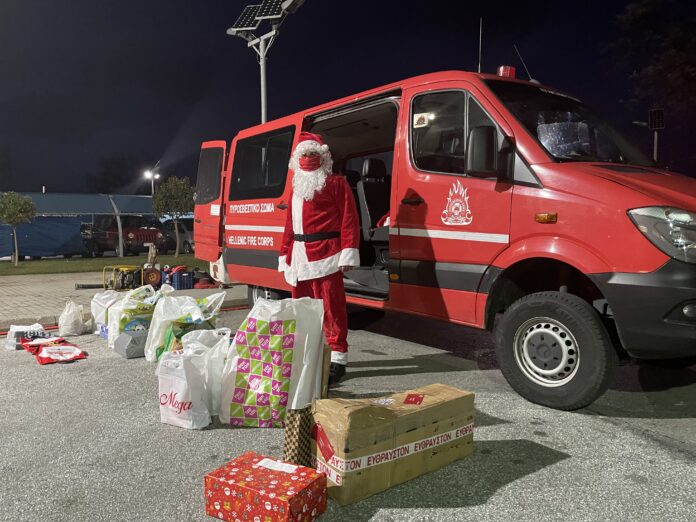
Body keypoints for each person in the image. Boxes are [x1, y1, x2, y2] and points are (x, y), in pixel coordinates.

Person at [279, 131, 360, 385]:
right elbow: (289, 226)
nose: (308, 159)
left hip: (327, 254)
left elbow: (349, 219)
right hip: (300, 257)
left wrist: (348, 250)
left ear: (322, 155)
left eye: (312, 154)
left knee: (332, 308)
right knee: (302, 309)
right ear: (297, 158)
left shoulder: (336, 183)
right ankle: (309, 354)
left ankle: (338, 358)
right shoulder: (296, 186)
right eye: (304, 155)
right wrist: (284, 253)